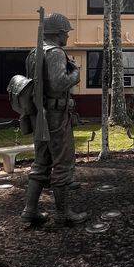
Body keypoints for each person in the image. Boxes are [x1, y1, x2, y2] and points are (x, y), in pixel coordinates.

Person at [21, 13, 87, 227]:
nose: (67, 37)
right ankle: (63, 213)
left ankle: (29, 211)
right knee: (62, 163)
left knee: (41, 162)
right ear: (59, 34)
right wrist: (75, 73)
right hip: (56, 116)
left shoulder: (34, 52)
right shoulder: (57, 53)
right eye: (66, 33)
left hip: (39, 115)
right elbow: (59, 84)